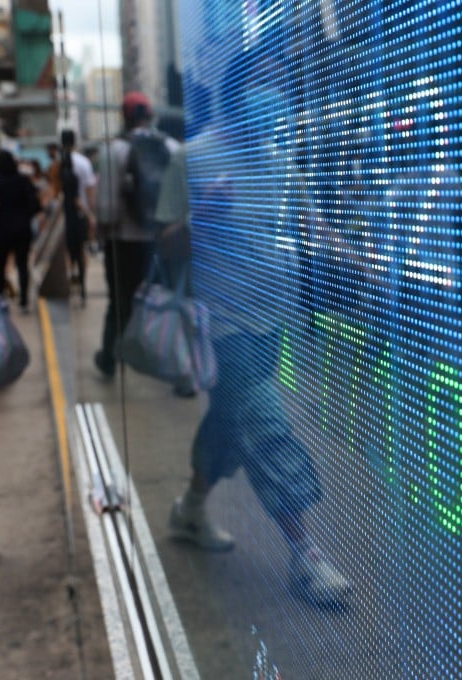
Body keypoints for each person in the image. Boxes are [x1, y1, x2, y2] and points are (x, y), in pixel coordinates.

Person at [154, 57, 352, 608]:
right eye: (267, 85)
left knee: (227, 423)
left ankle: (191, 509)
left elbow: (314, 227)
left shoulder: (277, 160)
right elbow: (164, 244)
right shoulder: (191, 159)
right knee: (267, 427)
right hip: (222, 327)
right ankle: (306, 553)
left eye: (283, 87)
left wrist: (365, 265)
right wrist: (202, 216)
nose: (277, 98)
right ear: (237, 92)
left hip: (272, 324)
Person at [93, 92, 177, 377]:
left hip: (123, 242)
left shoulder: (113, 150)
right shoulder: (171, 146)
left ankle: (108, 359)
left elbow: (106, 210)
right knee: (167, 303)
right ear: (150, 114)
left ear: (125, 116)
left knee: (119, 304)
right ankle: (172, 365)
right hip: (163, 242)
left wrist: (104, 235)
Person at [0, 149, 41, 313]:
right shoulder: (23, 180)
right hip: (22, 228)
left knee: (0, 266)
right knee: (23, 265)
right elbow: (35, 205)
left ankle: (0, 301)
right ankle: (24, 301)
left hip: (1, 229)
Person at [56, 130, 97, 303]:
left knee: (66, 251)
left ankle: (69, 278)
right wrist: (91, 214)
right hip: (81, 214)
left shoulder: (57, 164)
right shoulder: (84, 163)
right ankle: (81, 283)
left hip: (63, 216)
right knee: (81, 249)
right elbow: (90, 190)